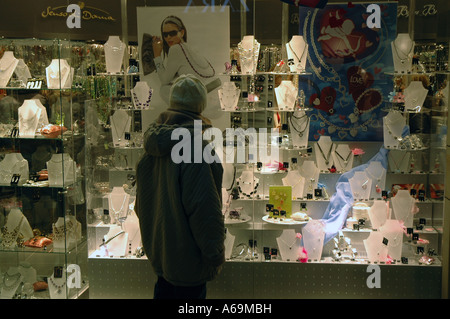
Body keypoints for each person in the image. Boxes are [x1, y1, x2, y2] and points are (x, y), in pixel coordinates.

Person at [135, 74, 225, 299]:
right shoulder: (195, 149)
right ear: (200, 107)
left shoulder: (153, 148)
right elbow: (204, 211)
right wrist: (215, 255)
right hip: (189, 266)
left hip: (162, 262)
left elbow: (141, 207)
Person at [151, 15, 221, 104]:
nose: (168, 37)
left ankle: (189, 114)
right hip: (216, 92)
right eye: (165, 34)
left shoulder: (176, 49)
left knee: (164, 89)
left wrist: (157, 55)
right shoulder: (189, 47)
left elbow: (165, 80)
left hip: (206, 98)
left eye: (172, 33)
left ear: (182, 33)